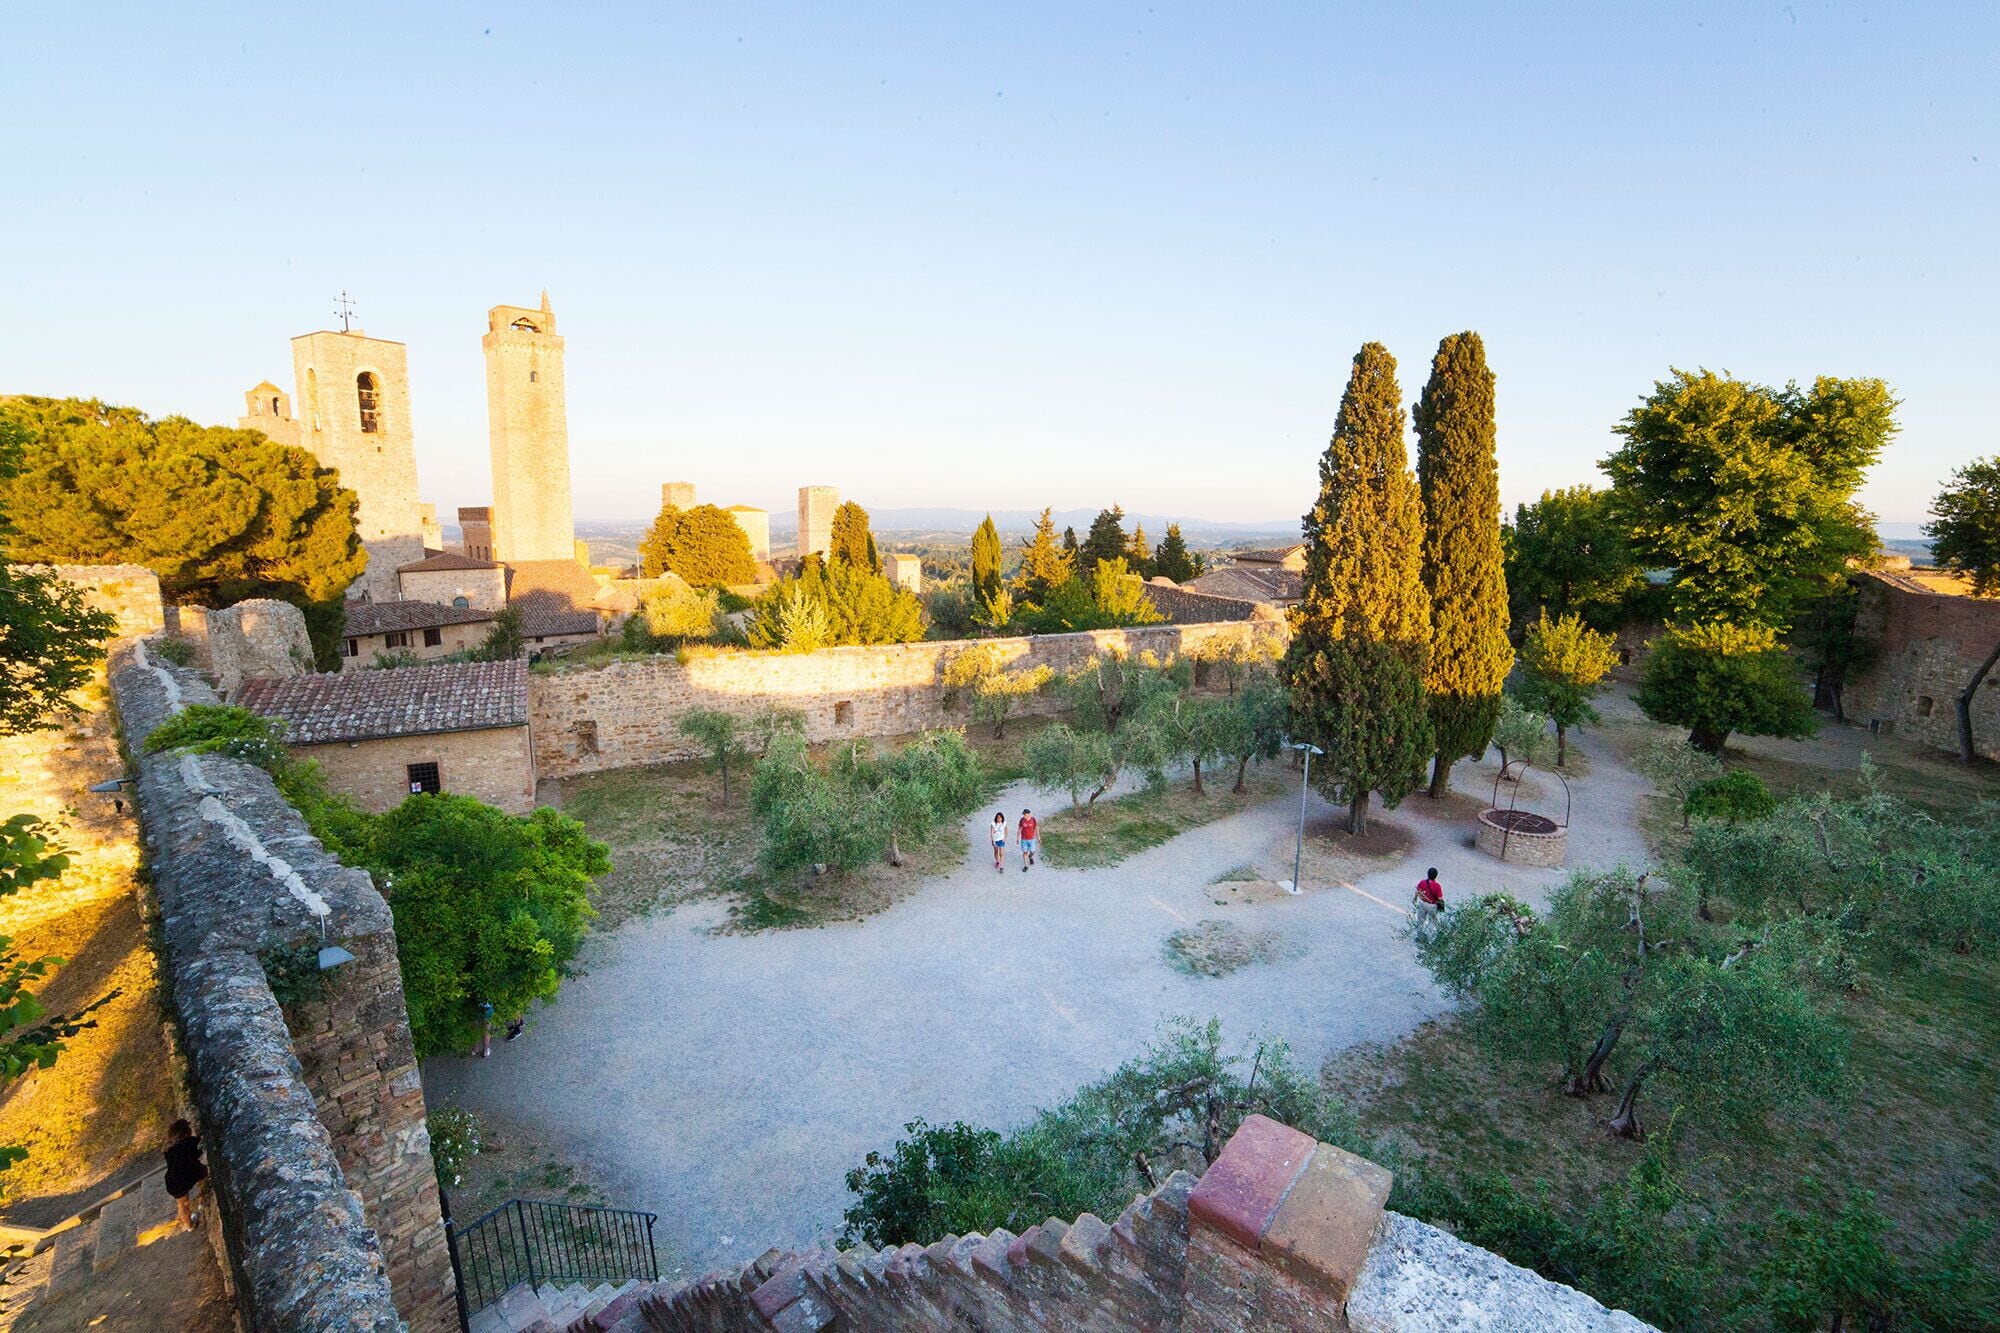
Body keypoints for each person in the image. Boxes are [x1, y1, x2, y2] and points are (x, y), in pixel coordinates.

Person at [164, 1119, 207, 1232]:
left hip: (171, 1181)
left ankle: (188, 1225)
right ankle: (203, 1200)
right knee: (205, 1173)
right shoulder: (189, 1142)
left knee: (182, 1204)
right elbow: (201, 1147)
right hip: (183, 1179)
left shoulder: (168, 1148)